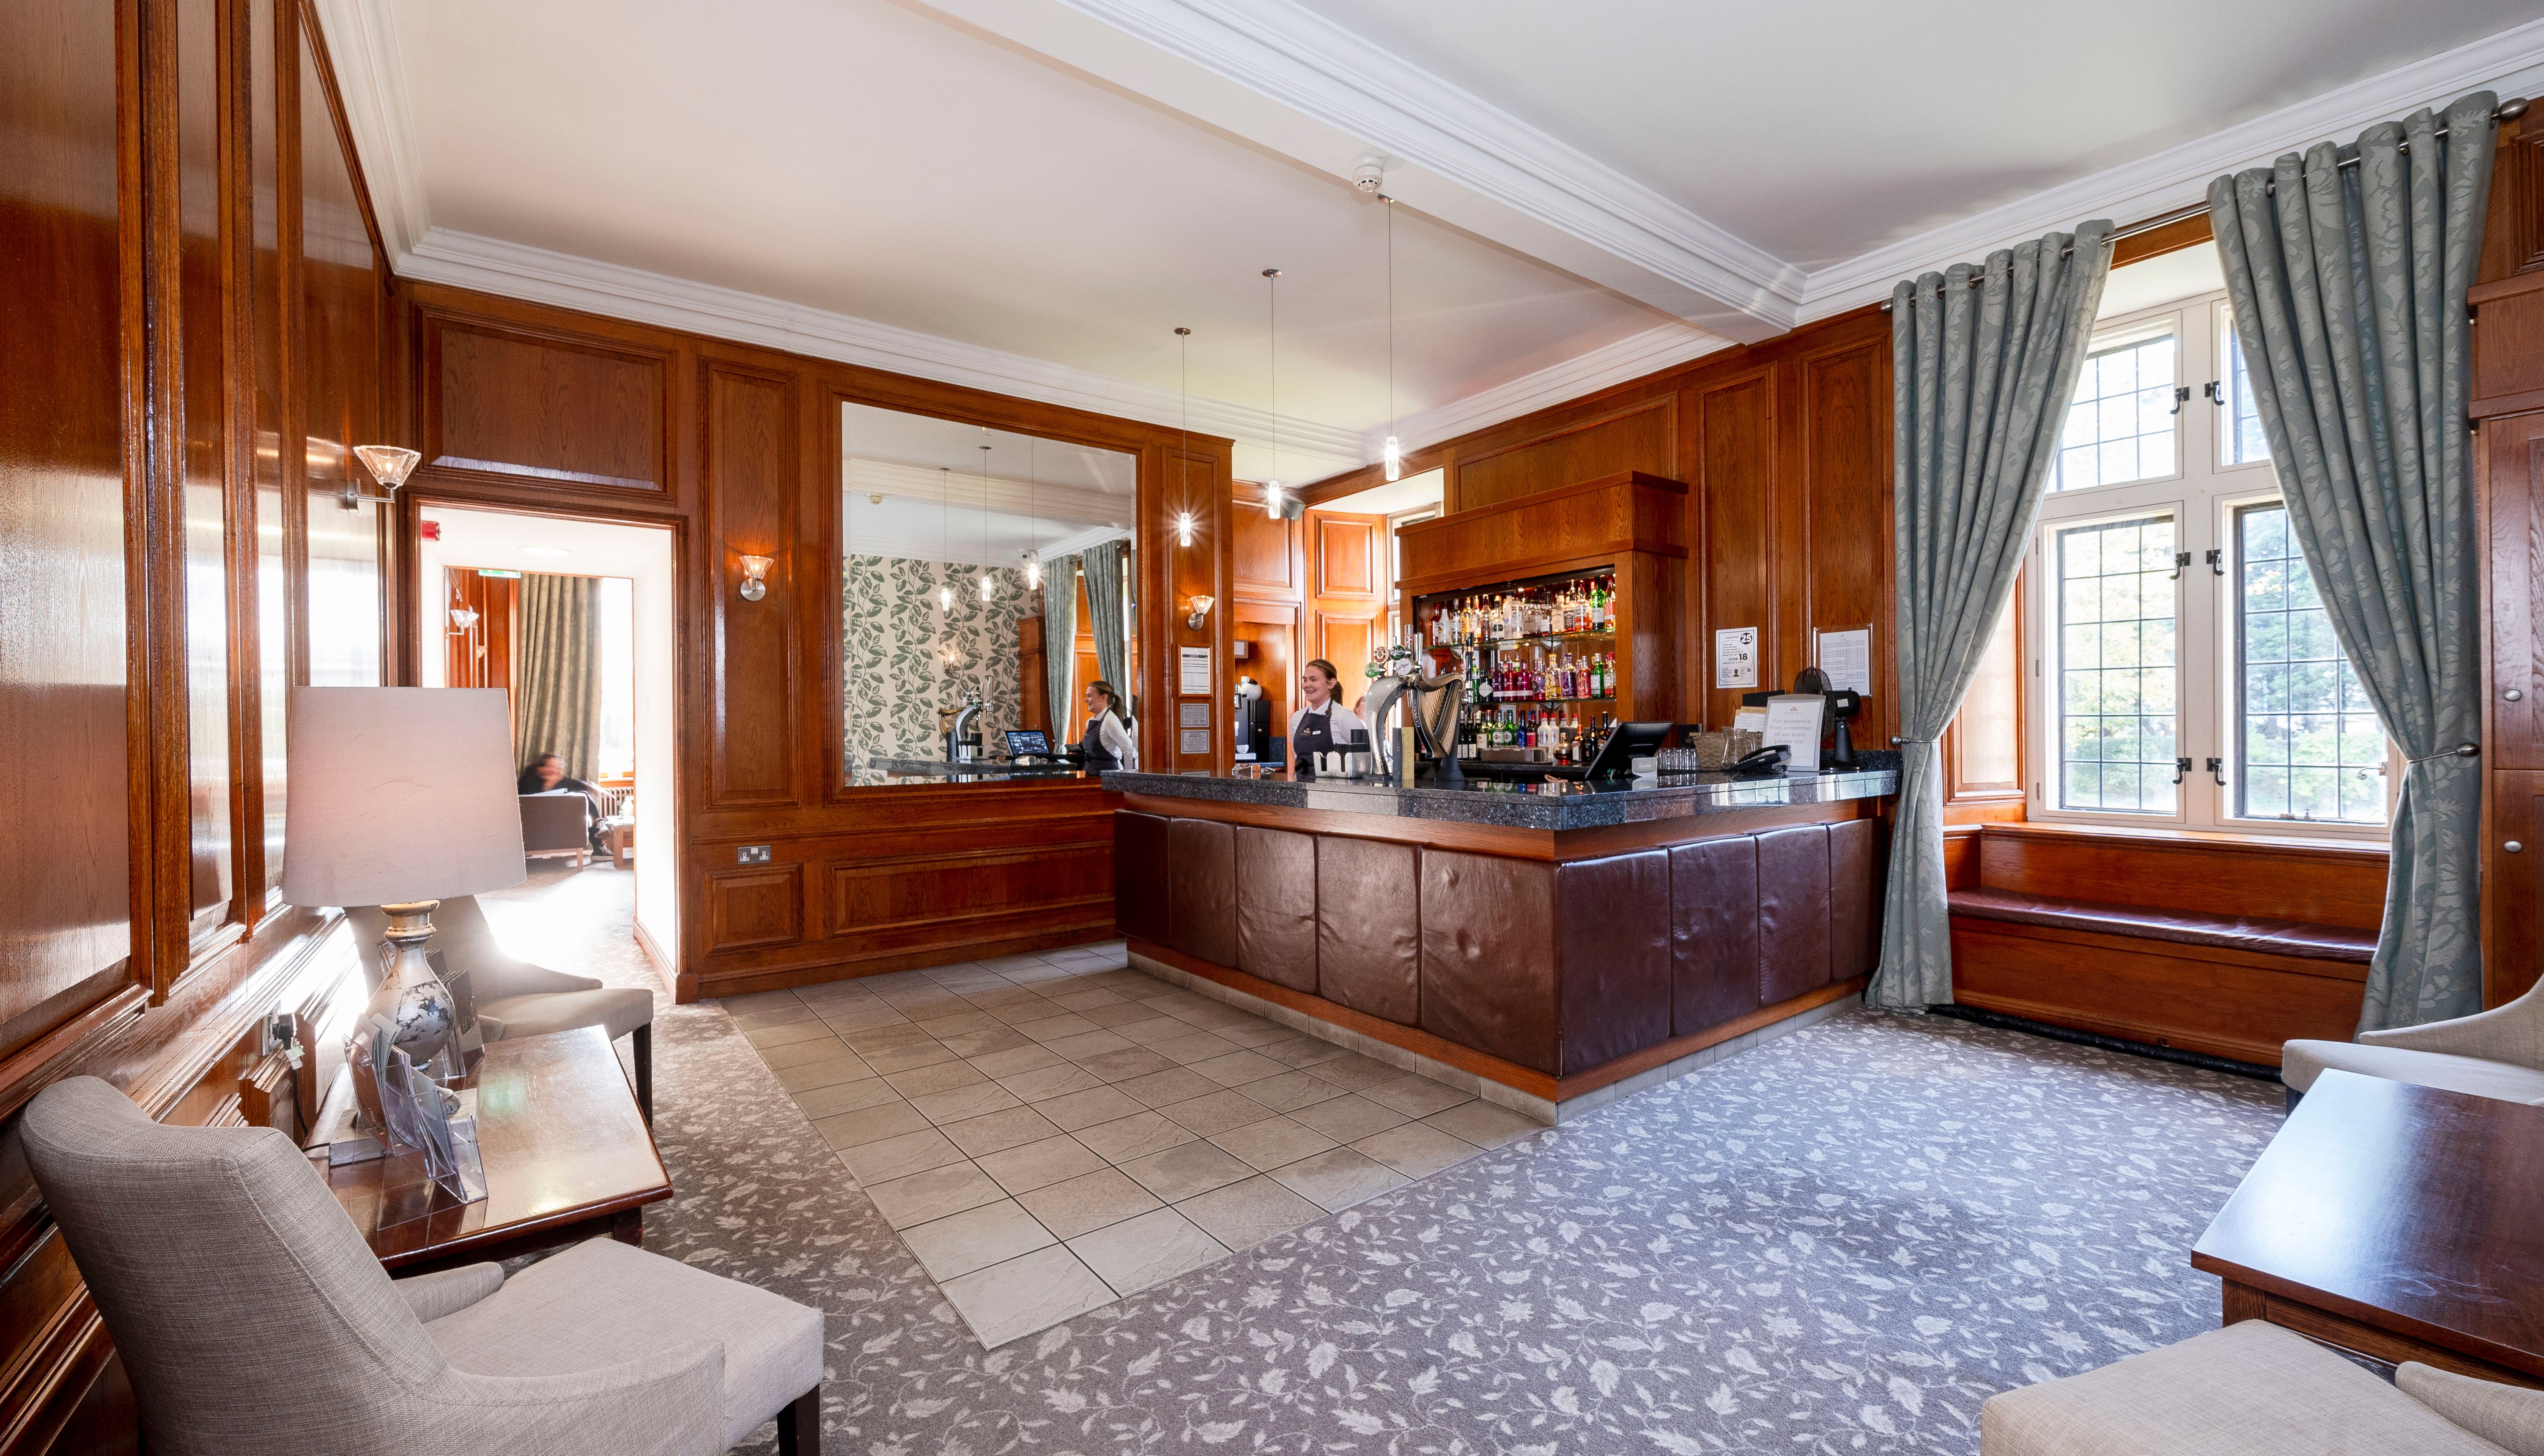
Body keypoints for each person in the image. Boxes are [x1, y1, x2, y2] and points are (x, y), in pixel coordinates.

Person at [518, 752, 610, 851]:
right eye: (553, 767)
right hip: (537, 821)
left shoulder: (560, 779)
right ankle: (600, 827)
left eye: (559, 768)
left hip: (558, 820)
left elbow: (575, 785)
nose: (557, 771)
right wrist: (548, 785)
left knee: (583, 796)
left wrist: (587, 785)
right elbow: (526, 800)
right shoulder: (530, 778)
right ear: (541, 768)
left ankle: (599, 833)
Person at [1289, 659, 1367, 773]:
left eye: (1314, 680)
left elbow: (1366, 755)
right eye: (1305, 680)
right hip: (1302, 786)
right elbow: (1298, 758)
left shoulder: (1343, 716)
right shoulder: (1297, 717)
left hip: (1334, 788)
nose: (1307, 685)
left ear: (1331, 683)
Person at [1077, 681, 1138, 772]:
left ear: (1104, 697)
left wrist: (1128, 775)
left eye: (1089, 696)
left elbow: (1128, 749)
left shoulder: (1110, 721)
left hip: (1108, 776)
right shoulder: (1090, 721)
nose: (1086, 699)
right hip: (1091, 774)